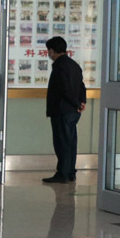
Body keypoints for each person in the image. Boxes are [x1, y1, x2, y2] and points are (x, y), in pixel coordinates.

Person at [43, 36, 86, 184]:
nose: (48, 53)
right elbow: (81, 85)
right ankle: (70, 172)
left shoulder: (59, 66)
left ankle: (62, 173)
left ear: (52, 50)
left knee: (62, 143)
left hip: (62, 110)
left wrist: (76, 103)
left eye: (48, 50)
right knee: (71, 142)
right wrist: (81, 102)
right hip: (73, 111)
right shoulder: (73, 65)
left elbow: (64, 89)